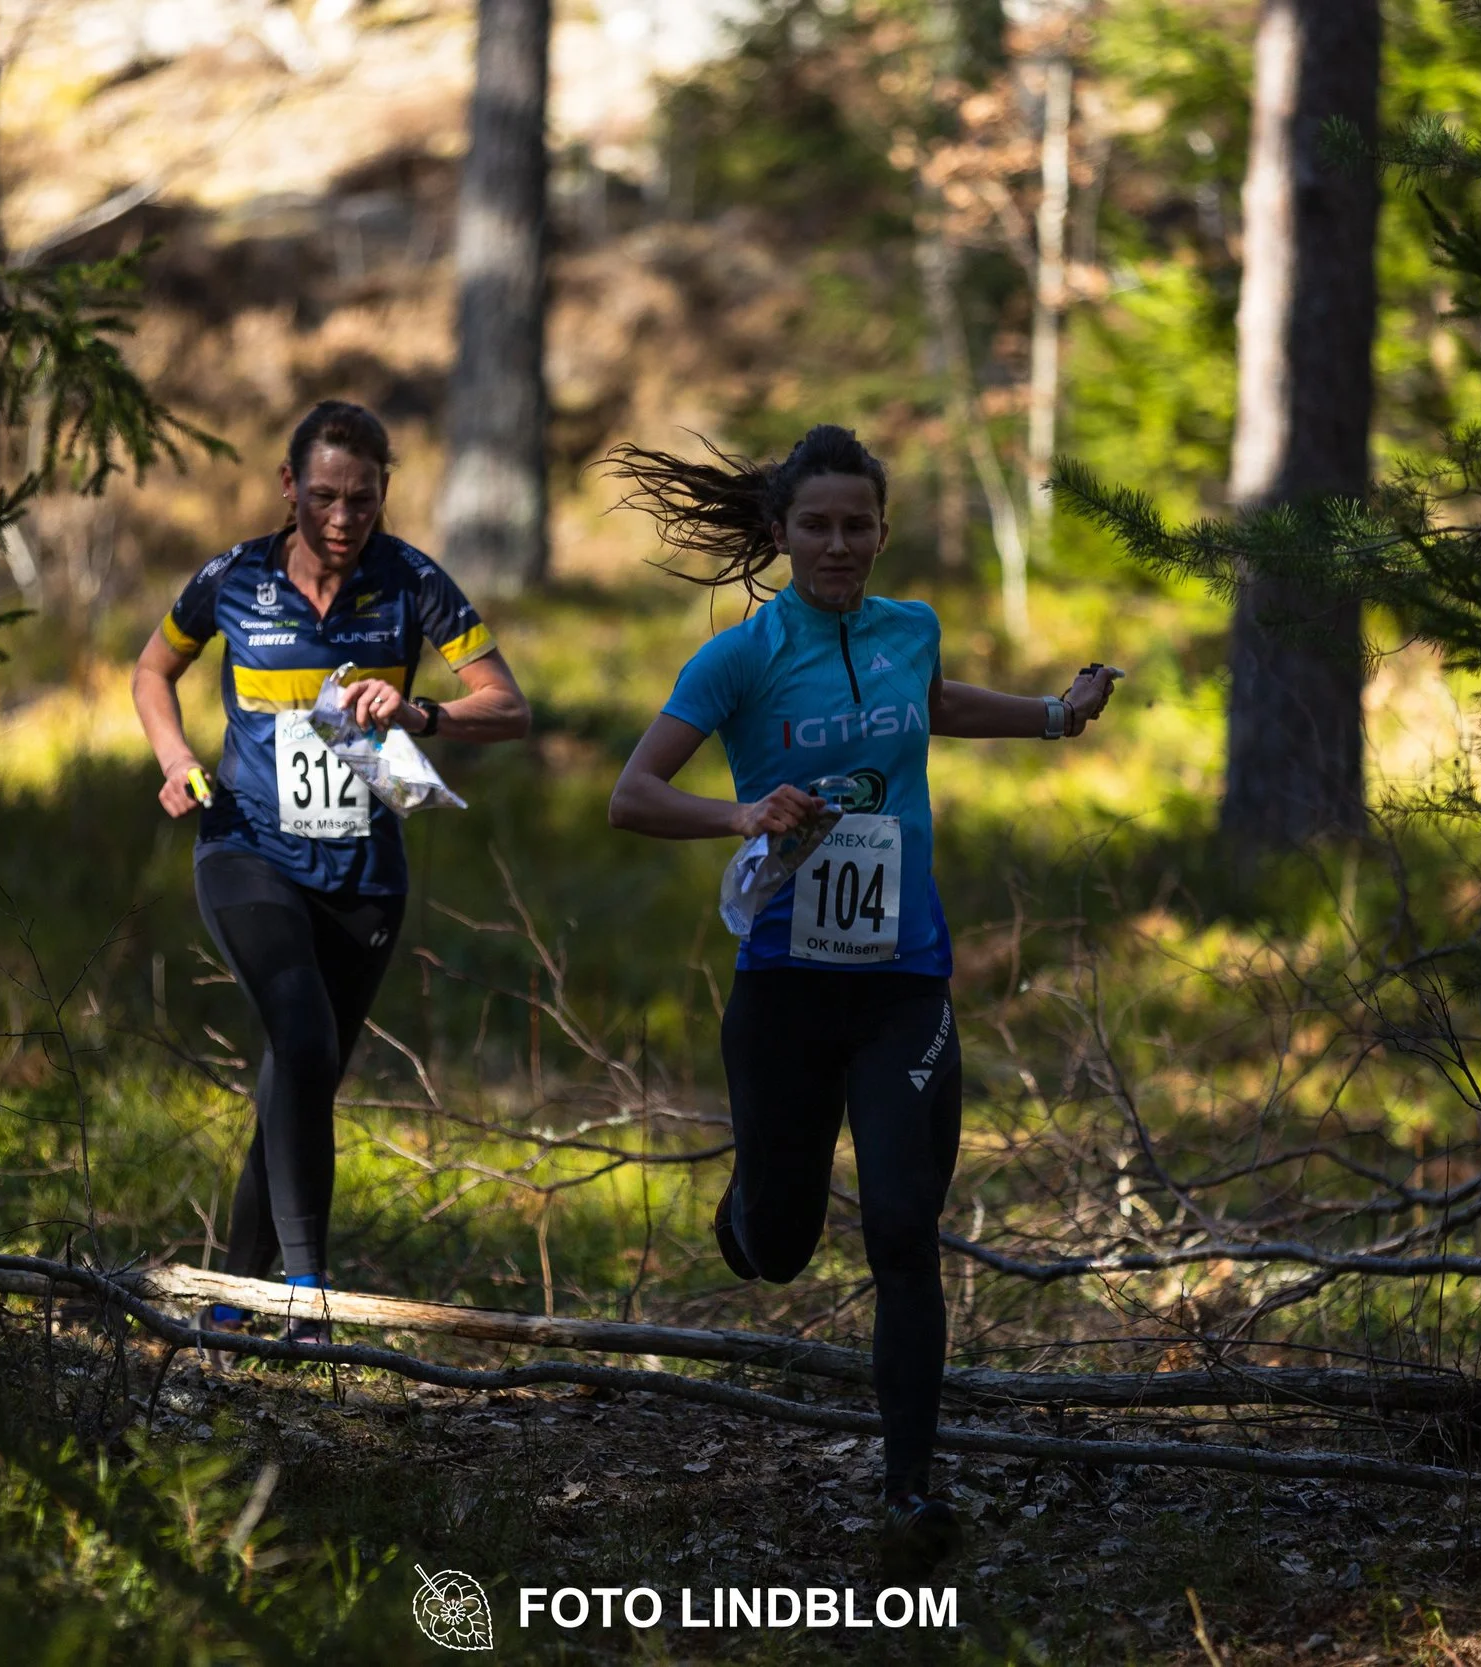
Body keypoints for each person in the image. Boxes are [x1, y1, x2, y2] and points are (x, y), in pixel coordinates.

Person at [604, 425, 1118, 1565]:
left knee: (901, 1226)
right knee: (779, 1246)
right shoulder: (737, 658)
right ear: (780, 533)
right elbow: (632, 796)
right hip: (783, 988)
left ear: (882, 531)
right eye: (818, 525)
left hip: (904, 985)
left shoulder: (909, 628)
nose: (839, 545)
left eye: (858, 525)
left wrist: (1051, 714)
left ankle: (909, 1491)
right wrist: (740, 814)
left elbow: (926, 706)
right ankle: (746, 1209)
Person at [133, 400, 531, 1337]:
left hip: (364, 878)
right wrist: (174, 760)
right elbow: (153, 670)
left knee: (299, 1079)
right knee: (303, 1043)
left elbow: (508, 707)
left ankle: (235, 1298)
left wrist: (421, 713)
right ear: (288, 489)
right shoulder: (233, 577)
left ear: (386, 492)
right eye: (323, 498)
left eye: (362, 499)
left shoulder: (411, 582)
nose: (343, 519)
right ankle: (309, 1301)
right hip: (246, 848)